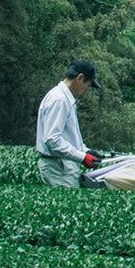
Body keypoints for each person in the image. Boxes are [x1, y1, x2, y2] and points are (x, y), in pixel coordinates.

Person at [36, 59, 103, 188]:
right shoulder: (59, 100)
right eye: (87, 85)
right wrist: (82, 157)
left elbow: (69, 137)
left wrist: (86, 151)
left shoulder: (66, 99)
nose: (86, 90)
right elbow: (52, 139)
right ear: (80, 78)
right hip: (57, 166)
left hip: (63, 164)